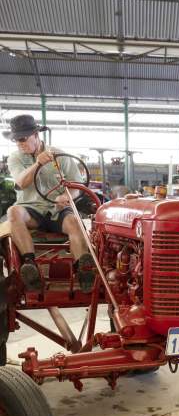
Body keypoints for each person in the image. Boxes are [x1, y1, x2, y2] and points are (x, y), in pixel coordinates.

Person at [4, 114, 96, 292]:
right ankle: (30, 265)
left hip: (57, 209)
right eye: (16, 140)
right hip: (30, 209)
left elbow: (77, 186)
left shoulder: (61, 156)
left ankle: (82, 270)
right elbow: (21, 182)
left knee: (75, 222)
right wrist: (37, 163)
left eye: (23, 139)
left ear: (36, 135)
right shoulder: (14, 158)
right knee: (13, 212)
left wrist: (68, 197)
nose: (20, 143)